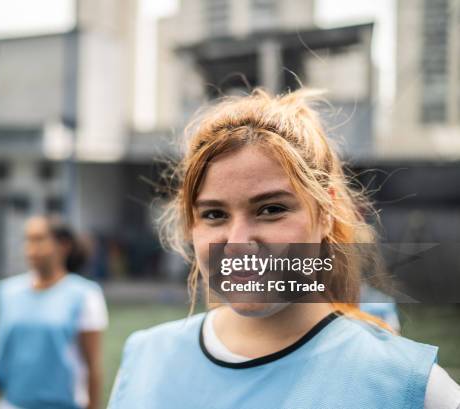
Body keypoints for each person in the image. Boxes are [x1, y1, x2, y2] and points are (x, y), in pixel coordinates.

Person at [107, 88, 460, 409]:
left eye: (271, 209)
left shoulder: (412, 387)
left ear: (325, 214)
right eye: (214, 214)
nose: (239, 242)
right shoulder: (144, 358)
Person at [0, 216, 108, 409]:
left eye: (39, 239)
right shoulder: (7, 291)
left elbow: (93, 366)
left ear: (63, 245)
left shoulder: (85, 294)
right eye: (28, 240)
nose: (31, 248)